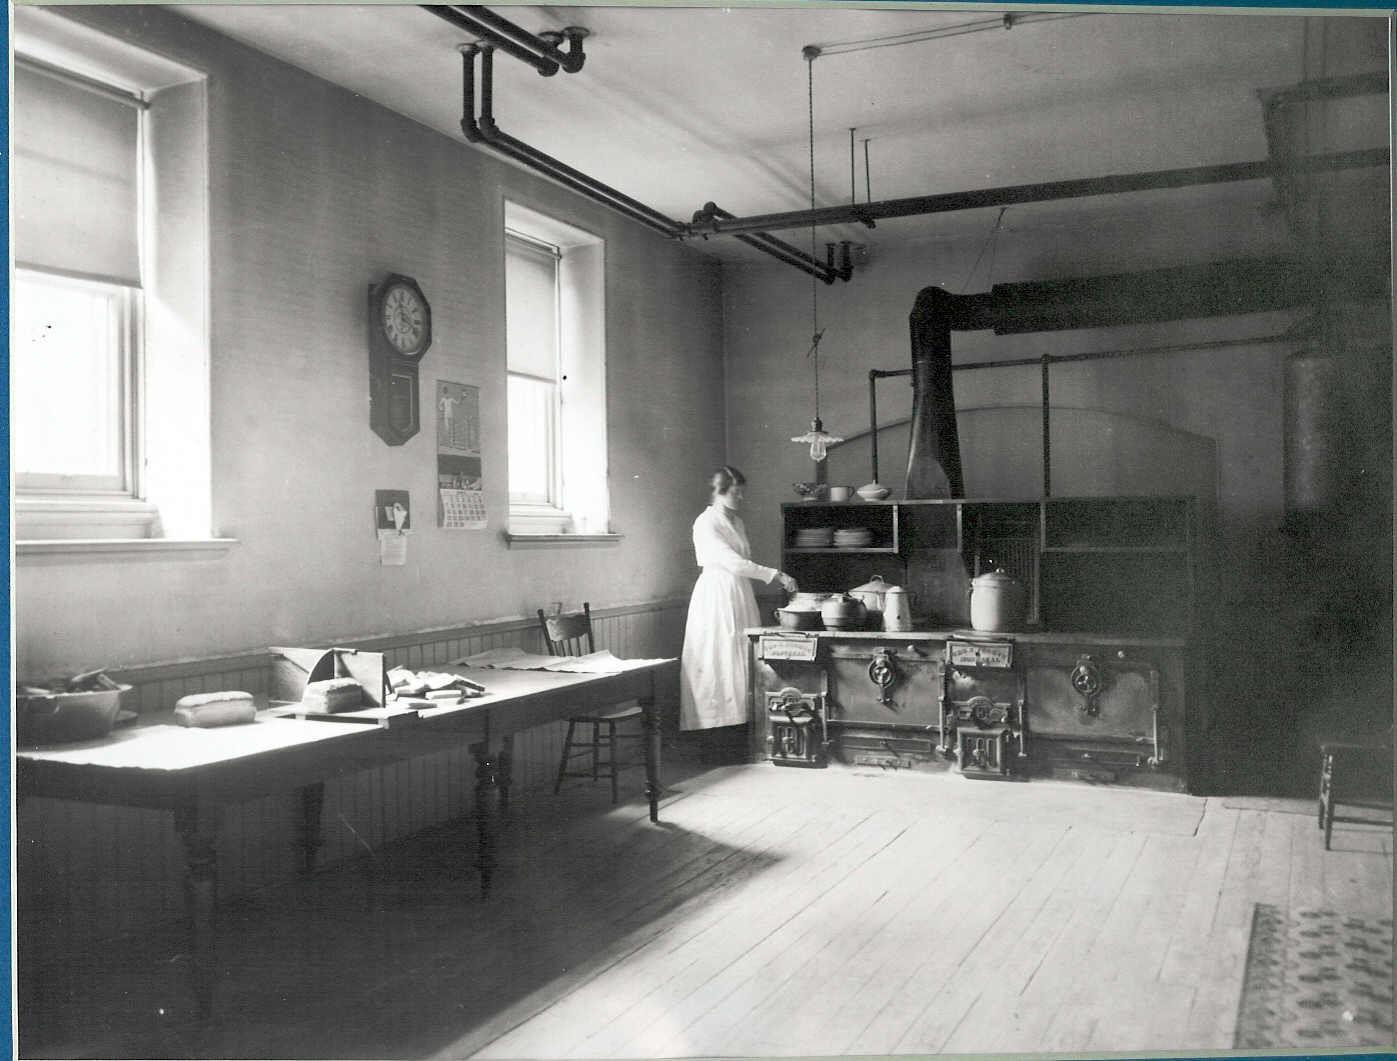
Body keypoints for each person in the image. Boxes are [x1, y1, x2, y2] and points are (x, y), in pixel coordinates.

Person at [680, 465, 798, 763]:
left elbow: (742, 563)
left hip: (739, 593)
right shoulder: (706, 522)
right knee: (717, 661)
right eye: (736, 491)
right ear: (719, 491)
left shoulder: (737, 522)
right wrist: (776, 575)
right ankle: (715, 743)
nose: (741, 496)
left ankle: (741, 738)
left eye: (742, 491)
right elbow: (731, 561)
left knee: (741, 661)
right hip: (717, 595)